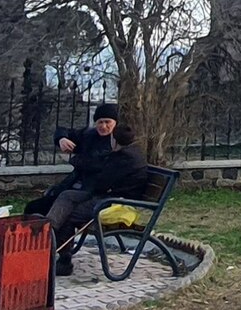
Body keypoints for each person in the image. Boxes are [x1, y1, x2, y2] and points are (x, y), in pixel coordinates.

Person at [43, 124, 157, 275]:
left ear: (114, 140)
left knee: (70, 214)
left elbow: (103, 182)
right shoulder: (123, 152)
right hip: (106, 195)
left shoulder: (125, 158)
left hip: (116, 202)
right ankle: (48, 230)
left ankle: (63, 260)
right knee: (67, 195)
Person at [24, 102, 119, 221]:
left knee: (62, 210)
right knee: (33, 207)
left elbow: (97, 164)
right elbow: (63, 130)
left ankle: (50, 234)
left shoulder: (116, 142)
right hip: (72, 185)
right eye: (100, 122)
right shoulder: (89, 135)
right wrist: (62, 139)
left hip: (90, 191)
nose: (103, 126)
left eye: (107, 122)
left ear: (115, 123)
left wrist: (77, 160)